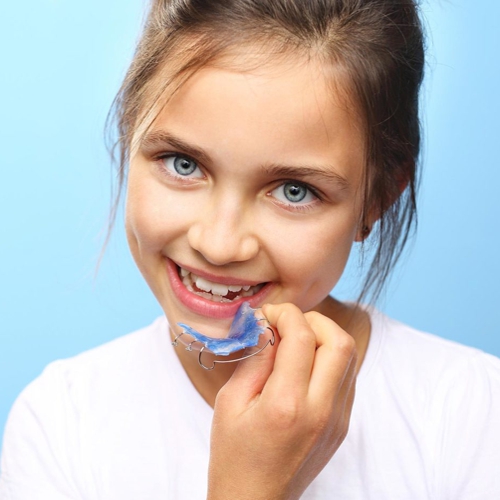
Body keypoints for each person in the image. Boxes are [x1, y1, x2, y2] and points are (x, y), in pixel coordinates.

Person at [1, 0, 499, 498]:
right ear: (129, 132)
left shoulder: (469, 416)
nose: (219, 245)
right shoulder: (61, 425)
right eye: (182, 163)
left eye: (294, 191)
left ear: (376, 201)